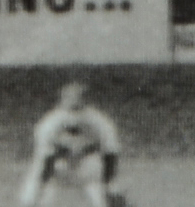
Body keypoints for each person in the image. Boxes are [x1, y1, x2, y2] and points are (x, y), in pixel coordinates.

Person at [19, 79, 122, 207]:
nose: (75, 100)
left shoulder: (51, 121)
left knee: (107, 194)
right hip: (64, 165)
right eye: (71, 97)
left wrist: (109, 181)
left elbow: (110, 151)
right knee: (35, 189)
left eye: (77, 97)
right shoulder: (98, 119)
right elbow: (45, 158)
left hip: (84, 166)